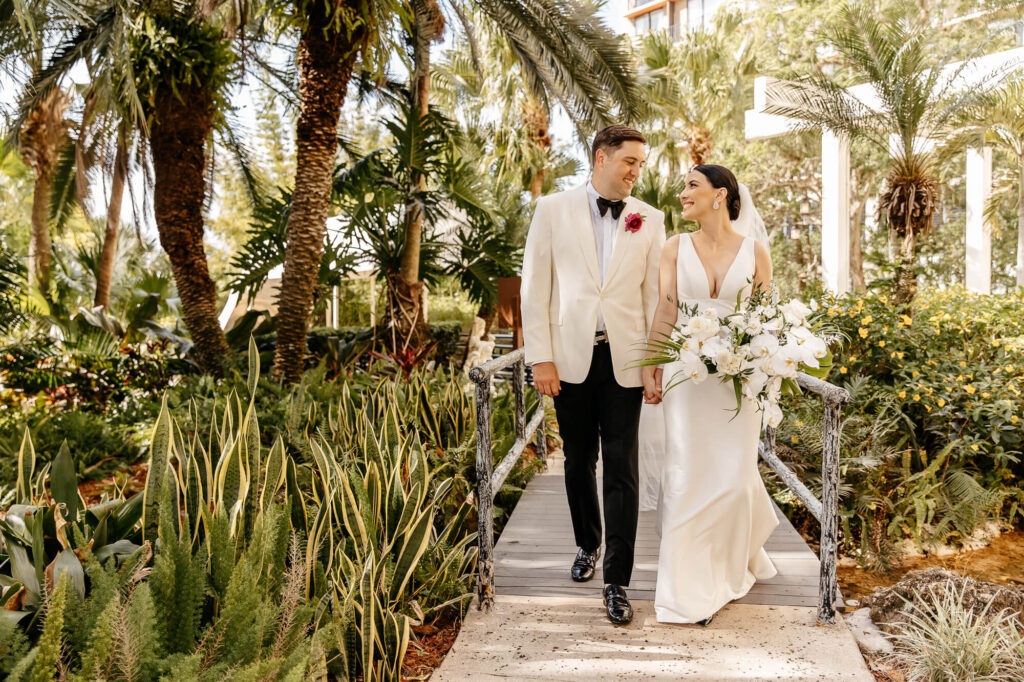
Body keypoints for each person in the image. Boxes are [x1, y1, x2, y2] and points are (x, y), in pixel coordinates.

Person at [520, 125, 666, 625]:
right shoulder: (552, 210)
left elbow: (654, 298)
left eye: (641, 164)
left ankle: (617, 581)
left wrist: (653, 364)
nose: (636, 171)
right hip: (569, 359)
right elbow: (535, 287)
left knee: (622, 467)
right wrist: (540, 357)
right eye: (630, 161)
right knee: (578, 459)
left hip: (625, 359)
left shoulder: (650, 218)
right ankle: (587, 543)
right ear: (601, 158)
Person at [641, 164, 778, 626]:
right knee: (686, 472)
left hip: (738, 380)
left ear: (720, 195)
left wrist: (768, 369)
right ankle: (683, 587)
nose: (683, 193)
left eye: (691, 186)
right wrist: (650, 365)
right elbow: (667, 307)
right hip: (687, 375)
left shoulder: (756, 252)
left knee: (734, 476)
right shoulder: (673, 248)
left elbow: (764, 320)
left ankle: (727, 565)